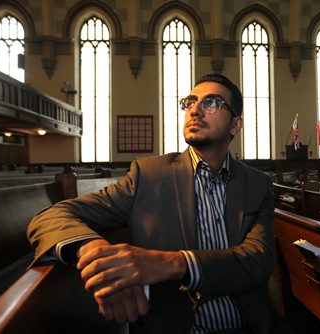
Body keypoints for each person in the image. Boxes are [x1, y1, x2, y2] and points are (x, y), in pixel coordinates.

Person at [27, 73, 276, 333]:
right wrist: (96, 252)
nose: (195, 111)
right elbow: (50, 216)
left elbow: (259, 259)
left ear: (235, 125)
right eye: (190, 102)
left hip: (246, 326)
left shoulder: (256, 184)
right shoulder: (148, 176)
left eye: (211, 103)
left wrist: (171, 263)